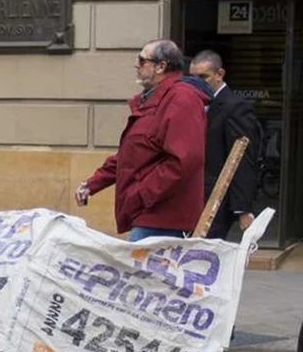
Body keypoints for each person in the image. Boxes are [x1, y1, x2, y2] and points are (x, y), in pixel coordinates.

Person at [77, 40, 209, 241]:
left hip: (164, 218)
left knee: (136, 270)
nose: (136, 66)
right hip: (149, 215)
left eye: (142, 60)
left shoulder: (182, 98)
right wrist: (93, 184)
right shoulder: (153, 98)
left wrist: (141, 194)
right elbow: (132, 154)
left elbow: (184, 160)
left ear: (161, 66)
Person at [189, 50, 260, 240]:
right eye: (193, 77)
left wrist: (243, 208)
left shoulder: (235, 106)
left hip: (216, 198)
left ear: (219, 74)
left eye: (203, 77)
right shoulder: (192, 103)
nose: (198, 83)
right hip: (192, 195)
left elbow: (242, 157)